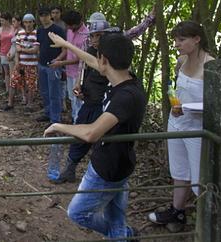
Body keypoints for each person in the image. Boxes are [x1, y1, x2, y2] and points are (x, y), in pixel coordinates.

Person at [45, 32, 146, 241]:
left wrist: (59, 126)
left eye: (98, 56)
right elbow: (90, 59)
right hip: (121, 163)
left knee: (76, 212)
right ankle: (121, 234)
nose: (95, 60)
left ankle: (121, 235)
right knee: (116, 215)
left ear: (105, 61)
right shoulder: (124, 78)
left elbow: (91, 133)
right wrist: (65, 44)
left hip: (107, 167)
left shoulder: (126, 97)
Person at [50, 10, 156, 184]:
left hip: (108, 113)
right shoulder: (94, 52)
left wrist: (149, 20)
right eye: (92, 35)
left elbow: (135, 32)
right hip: (91, 98)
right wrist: (79, 84)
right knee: (83, 132)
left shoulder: (125, 88)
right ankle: (71, 167)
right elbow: (87, 62)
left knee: (102, 137)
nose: (94, 39)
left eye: (98, 35)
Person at [148, 21, 213, 231]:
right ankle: (177, 212)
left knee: (198, 180)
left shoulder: (211, 66)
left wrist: (191, 108)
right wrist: (176, 105)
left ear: (197, 39)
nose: (177, 44)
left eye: (182, 40)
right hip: (176, 122)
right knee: (179, 171)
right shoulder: (181, 60)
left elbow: (214, 105)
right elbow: (178, 90)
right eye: (176, 39)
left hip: (196, 128)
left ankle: (206, 223)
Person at [49, 10, 88, 123]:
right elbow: (67, 48)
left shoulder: (86, 35)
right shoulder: (70, 31)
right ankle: (75, 119)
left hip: (79, 75)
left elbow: (81, 58)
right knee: (71, 98)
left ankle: (79, 122)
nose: (68, 27)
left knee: (78, 99)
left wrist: (61, 63)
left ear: (76, 23)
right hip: (69, 72)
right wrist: (59, 59)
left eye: (69, 25)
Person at [36, 6, 67, 123]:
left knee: (54, 93)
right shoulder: (39, 30)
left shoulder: (58, 30)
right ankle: (48, 113)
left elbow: (65, 48)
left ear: (50, 16)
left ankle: (55, 119)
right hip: (42, 64)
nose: (44, 18)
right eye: (41, 15)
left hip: (54, 65)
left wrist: (58, 60)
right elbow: (39, 45)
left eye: (46, 15)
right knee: (44, 91)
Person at [9, 14, 40, 112]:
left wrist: (23, 49)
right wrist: (17, 62)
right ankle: (10, 103)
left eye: (30, 22)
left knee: (31, 85)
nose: (28, 24)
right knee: (13, 82)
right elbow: (17, 49)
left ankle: (29, 105)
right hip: (20, 63)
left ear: (33, 22)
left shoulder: (36, 34)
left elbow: (35, 50)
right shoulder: (20, 33)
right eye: (26, 22)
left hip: (32, 64)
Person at [0, 12, 16, 110]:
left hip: (12, 54)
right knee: (6, 73)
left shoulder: (13, 28)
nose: (1, 22)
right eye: (1, 21)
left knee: (13, 74)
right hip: (3, 53)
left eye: (3, 20)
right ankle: (8, 90)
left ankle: (13, 93)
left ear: (7, 20)